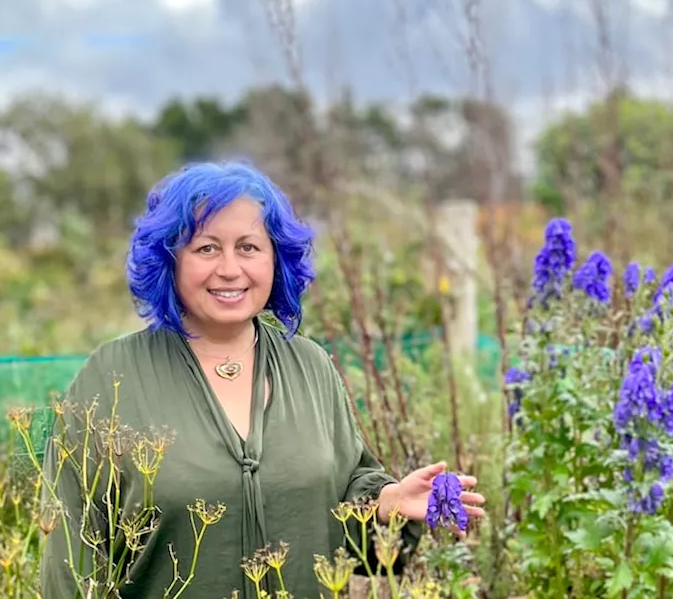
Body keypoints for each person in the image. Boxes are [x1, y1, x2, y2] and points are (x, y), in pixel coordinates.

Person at [38, 161, 484, 599]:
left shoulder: (309, 366)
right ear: (169, 261)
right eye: (207, 248)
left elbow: (341, 497)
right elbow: (70, 548)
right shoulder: (111, 378)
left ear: (276, 260)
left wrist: (386, 503)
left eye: (249, 247)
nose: (230, 269)